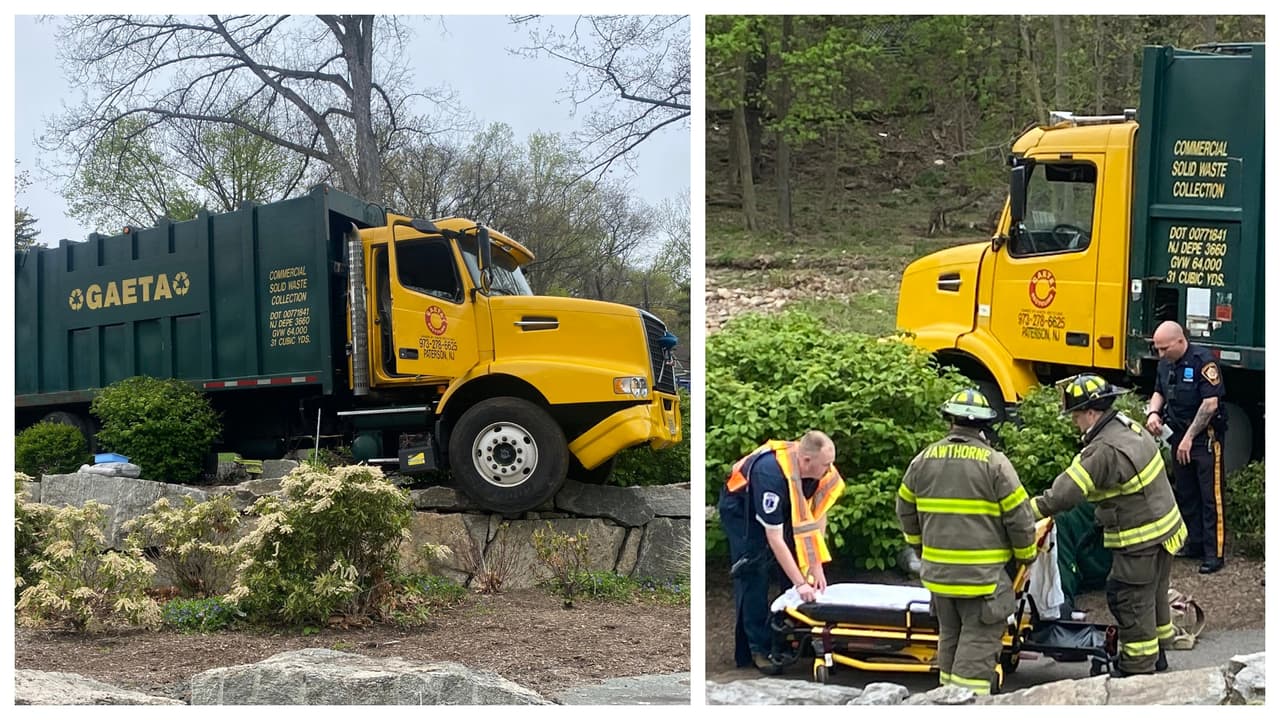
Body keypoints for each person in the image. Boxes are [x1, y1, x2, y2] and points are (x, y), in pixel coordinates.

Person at [1030, 374, 1187, 677]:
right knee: (1152, 594)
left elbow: (1062, 495)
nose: (1075, 422)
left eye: (1076, 415)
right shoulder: (1128, 426)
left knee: (1128, 598)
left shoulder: (1102, 451)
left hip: (1139, 540)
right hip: (1166, 531)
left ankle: (1137, 669)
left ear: (1091, 412)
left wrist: (1024, 511)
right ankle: (1158, 655)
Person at [896, 388, 1036, 696]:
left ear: (950, 421)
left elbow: (904, 508)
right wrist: (1025, 557)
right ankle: (966, 706)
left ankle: (943, 700)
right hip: (982, 582)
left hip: (939, 579)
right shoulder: (995, 463)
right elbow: (1020, 517)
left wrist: (922, 549)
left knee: (950, 639)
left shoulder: (922, 460)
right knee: (976, 649)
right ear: (984, 426)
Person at [717, 430, 844, 674]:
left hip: (783, 508)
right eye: (826, 464)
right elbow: (774, 538)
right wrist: (800, 584)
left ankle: (792, 637)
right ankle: (758, 649)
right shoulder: (770, 475)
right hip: (742, 509)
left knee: (799, 565)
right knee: (754, 571)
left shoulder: (820, 470)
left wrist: (814, 564)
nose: (830, 469)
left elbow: (817, 514)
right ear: (806, 461)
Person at [1145, 320, 1228, 574]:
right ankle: (1193, 543)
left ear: (1180, 341)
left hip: (1204, 438)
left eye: (1164, 348)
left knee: (1209, 496)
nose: (1161, 354)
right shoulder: (1165, 363)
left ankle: (1214, 553)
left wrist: (1190, 437)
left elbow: (1210, 404)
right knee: (1185, 491)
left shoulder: (1203, 361)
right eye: (1157, 349)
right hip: (1177, 434)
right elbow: (1159, 390)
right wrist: (1153, 413)